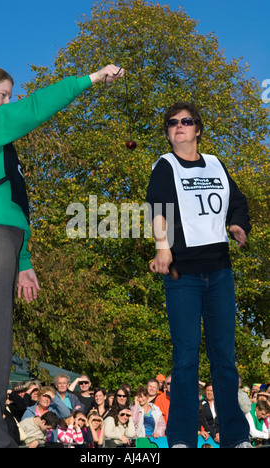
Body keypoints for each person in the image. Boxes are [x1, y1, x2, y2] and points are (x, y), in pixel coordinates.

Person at [0, 63, 124, 448]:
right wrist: (89, 78)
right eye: (3, 95)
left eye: (11, 96)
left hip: (0, 239)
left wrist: (24, 263)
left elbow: (15, 202)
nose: (9, 102)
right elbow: (37, 107)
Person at [146, 101, 251, 448]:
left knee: (224, 357)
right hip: (183, 275)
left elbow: (237, 200)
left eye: (186, 121)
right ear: (168, 132)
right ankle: (180, 439)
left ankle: (236, 437)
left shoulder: (218, 164)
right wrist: (163, 247)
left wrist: (238, 224)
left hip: (220, 271)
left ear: (198, 129)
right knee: (186, 358)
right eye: (172, 122)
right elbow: (158, 206)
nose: (179, 126)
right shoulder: (165, 166)